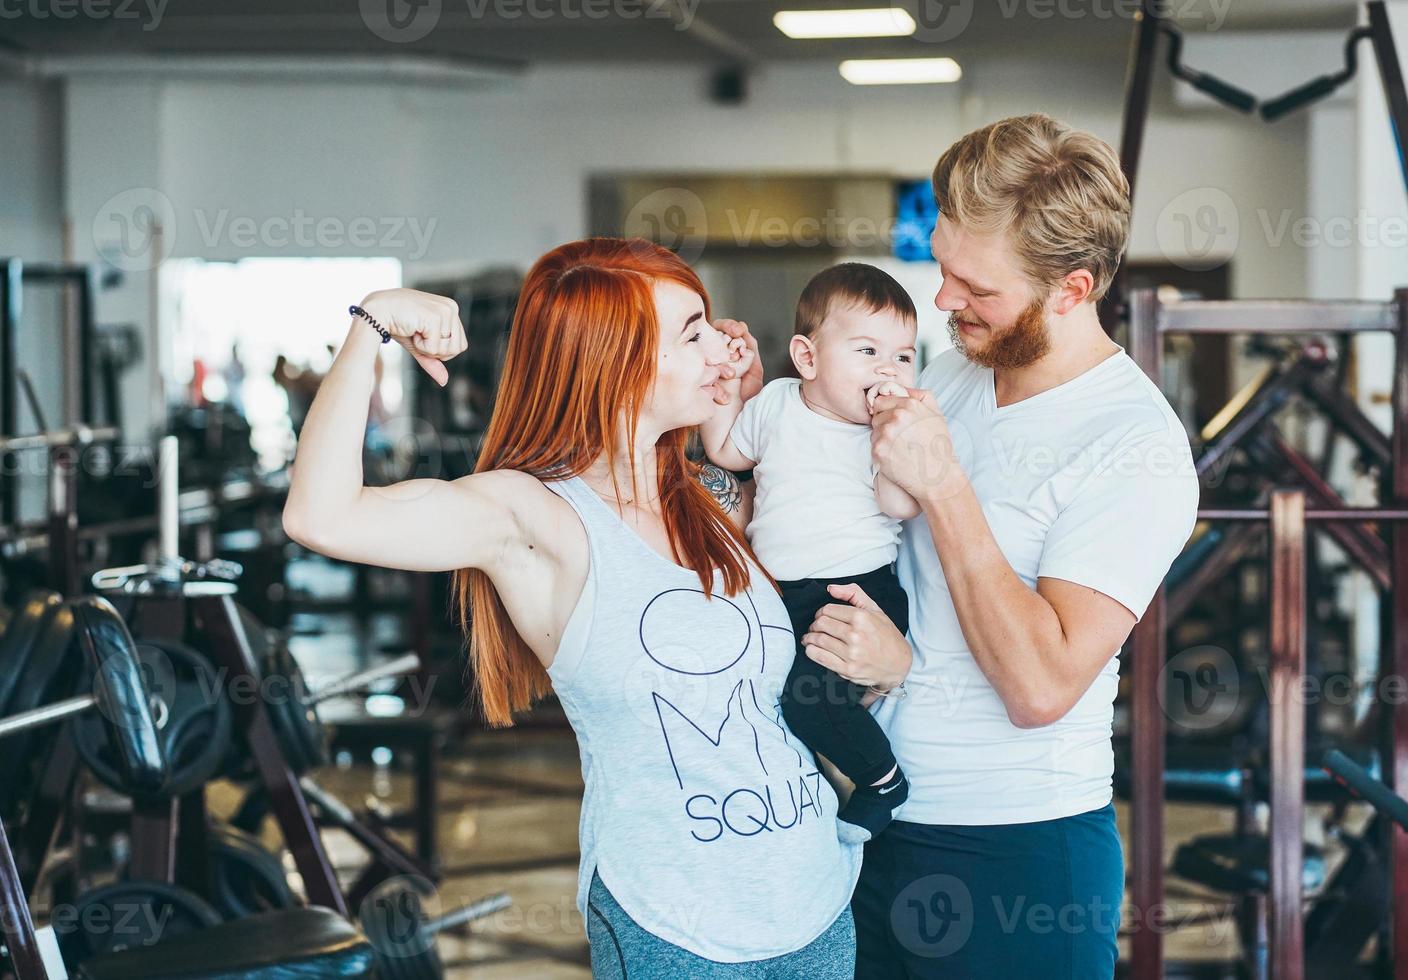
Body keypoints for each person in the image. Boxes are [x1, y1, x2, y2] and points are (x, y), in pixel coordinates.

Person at [282, 237, 863, 977]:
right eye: (692, 332)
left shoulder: (708, 498)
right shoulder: (536, 519)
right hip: (682, 928)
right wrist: (374, 323)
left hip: (814, 897)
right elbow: (320, 517)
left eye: (710, 323)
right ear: (616, 362)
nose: (721, 342)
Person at [793, 114, 1200, 977]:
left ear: (1072, 288)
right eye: (943, 268)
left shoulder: (1135, 445)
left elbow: (1041, 685)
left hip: (1019, 857)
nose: (943, 301)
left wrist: (944, 487)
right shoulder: (954, 372)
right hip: (881, 824)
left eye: (972, 285)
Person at [701, 262, 920, 844]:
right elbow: (725, 451)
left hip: (859, 591)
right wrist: (725, 386)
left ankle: (882, 780)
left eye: (903, 355)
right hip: (784, 593)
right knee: (769, 694)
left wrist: (894, 433)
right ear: (807, 357)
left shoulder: (883, 432)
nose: (887, 369)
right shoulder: (774, 404)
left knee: (811, 700)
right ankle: (799, 800)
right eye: (868, 350)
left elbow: (900, 506)